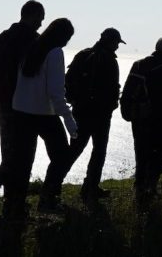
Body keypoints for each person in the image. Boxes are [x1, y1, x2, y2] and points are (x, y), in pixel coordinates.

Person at [0, 0, 44, 225]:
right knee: (22, 157)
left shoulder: (3, 37)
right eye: (40, 18)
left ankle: (11, 206)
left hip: (3, 103)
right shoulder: (33, 40)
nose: (41, 23)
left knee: (10, 154)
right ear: (32, 15)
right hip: (24, 106)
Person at [6, 18, 78, 217]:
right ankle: (48, 200)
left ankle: (15, 207)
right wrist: (69, 120)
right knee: (61, 157)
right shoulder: (55, 53)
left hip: (20, 111)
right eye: (68, 37)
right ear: (62, 36)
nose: (67, 42)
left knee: (22, 162)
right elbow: (56, 92)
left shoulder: (32, 48)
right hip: (43, 114)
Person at [54, 27, 125, 201]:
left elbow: (67, 81)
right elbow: (112, 89)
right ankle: (90, 187)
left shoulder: (83, 55)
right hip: (101, 114)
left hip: (81, 111)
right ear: (110, 41)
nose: (117, 46)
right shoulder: (109, 60)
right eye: (116, 42)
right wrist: (111, 105)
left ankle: (54, 186)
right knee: (99, 151)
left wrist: (75, 100)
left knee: (74, 149)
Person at [126, 37, 162, 206]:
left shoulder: (139, 64)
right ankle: (150, 184)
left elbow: (128, 91)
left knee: (141, 152)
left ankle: (140, 189)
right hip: (159, 118)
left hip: (138, 116)